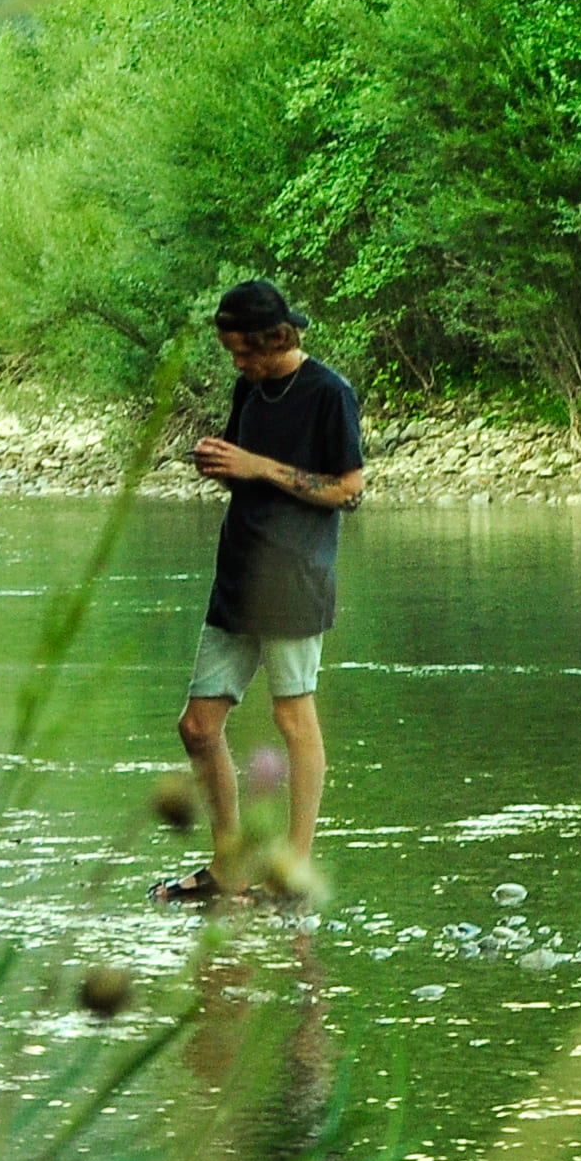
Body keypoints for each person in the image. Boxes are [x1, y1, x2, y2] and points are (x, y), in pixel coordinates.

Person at [158, 281, 364, 905]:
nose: (235, 364)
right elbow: (245, 466)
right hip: (238, 573)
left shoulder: (330, 393)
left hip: (295, 576)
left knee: (291, 717)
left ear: (277, 338)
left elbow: (349, 490)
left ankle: (291, 871)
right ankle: (229, 867)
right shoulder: (248, 387)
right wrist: (223, 465)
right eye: (230, 352)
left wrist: (258, 467)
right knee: (198, 725)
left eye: (242, 352)